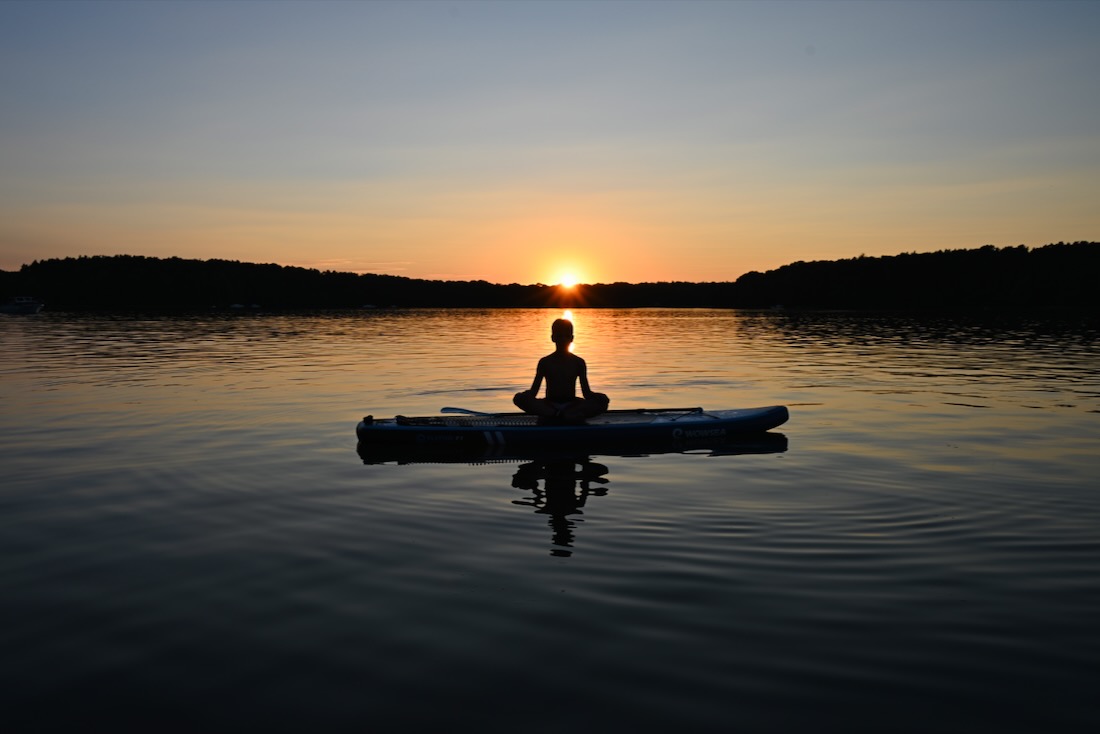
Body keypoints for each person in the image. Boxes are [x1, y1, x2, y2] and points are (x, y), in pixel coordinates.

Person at [513, 318, 610, 421]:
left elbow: (587, 393)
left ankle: (563, 415)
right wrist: (524, 396)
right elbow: (534, 392)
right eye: (559, 336)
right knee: (519, 399)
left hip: (572, 405)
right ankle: (558, 414)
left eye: (566, 336)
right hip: (549, 405)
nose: (563, 340)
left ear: (571, 338)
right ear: (553, 338)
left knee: (603, 402)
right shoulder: (545, 362)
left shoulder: (578, 362)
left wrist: (599, 397)